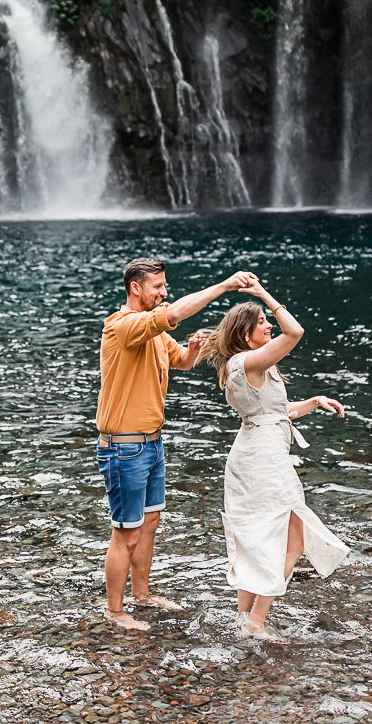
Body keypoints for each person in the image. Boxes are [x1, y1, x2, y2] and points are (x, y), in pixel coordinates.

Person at [98, 258, 256, 631]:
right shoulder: (122, 326)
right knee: (125, 531)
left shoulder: (153, 333)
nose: (163, 293)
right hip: (124, 446)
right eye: (157, 287)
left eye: (165, 287)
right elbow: (171, 315)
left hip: (151, 443)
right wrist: (224, 286)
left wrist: (195, 348)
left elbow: (183, 362)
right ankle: (115, 610)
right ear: (136, 288)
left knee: (149, 522)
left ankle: (141, 595)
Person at [206, 279, 349, 639]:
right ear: (246, 332)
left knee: (261, 538)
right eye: (261, 323)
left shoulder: (252, 365)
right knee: (291, 540)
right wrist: (264, 297)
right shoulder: (248, 361)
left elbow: (275, 411)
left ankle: (244, 620)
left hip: (258, 453)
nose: (269, 326)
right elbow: (295, 331)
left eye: (267, 320)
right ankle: (256, 621)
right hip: (263, 460)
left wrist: (313, 402)